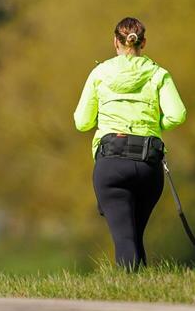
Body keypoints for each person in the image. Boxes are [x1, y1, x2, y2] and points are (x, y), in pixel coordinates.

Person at [73, 17, 187, 269]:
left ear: (115, 41)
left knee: (125, 238)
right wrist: (154, 126)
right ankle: (142, 292)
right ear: (143, 42)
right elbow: (177, 115)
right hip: (148, 164)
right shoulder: (159, 74)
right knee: (134, 235)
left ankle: (129, 293)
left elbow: (82, 122)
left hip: (111, 163)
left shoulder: (99, 74)